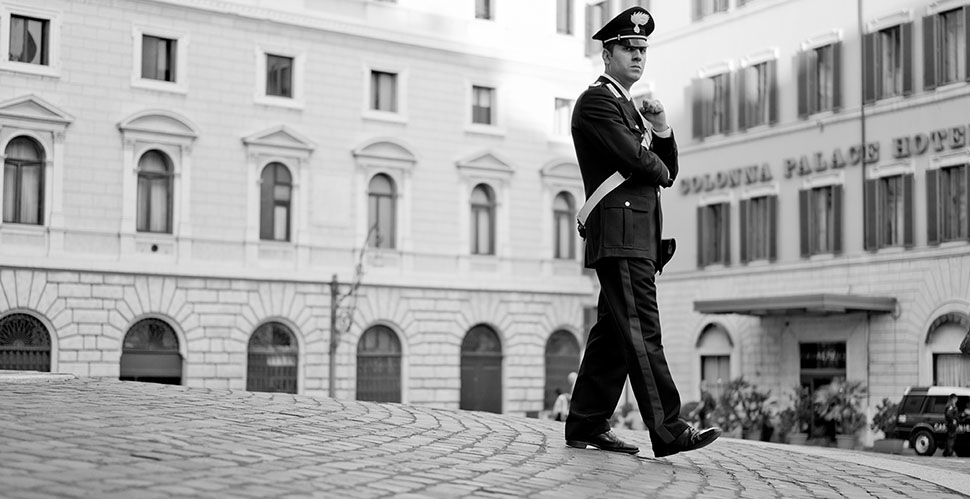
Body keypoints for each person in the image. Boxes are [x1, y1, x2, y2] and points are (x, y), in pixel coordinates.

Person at [564, 6, 721, 459]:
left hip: (633, 237)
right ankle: (668, 429)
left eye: (642, 50)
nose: (637, 56)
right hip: (621, 236)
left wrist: (662, 127)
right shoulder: (596, 101)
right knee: (642, 331)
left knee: (615, 335)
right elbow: (642, 164)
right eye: (629, 49)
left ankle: (586, 422)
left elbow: (666, 166)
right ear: (607, 53)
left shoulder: (629, 108)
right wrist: (651, 157)